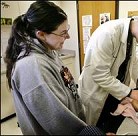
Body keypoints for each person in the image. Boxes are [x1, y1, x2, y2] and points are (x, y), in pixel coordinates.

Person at [3, 1, 108, 135]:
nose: (68, 36)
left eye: (67, 30)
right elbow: (57, 122)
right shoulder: (31, 66)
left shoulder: (49, 51)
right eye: (63, 33)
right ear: (41, 34)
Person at [78, 9, 138, 133]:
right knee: (92, 128)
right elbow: (99, 75)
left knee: (107, 125)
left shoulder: (131, 37)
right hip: (96, 91)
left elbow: (134, 63)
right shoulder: (108, 33)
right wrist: (131, 93)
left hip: (112, 92)